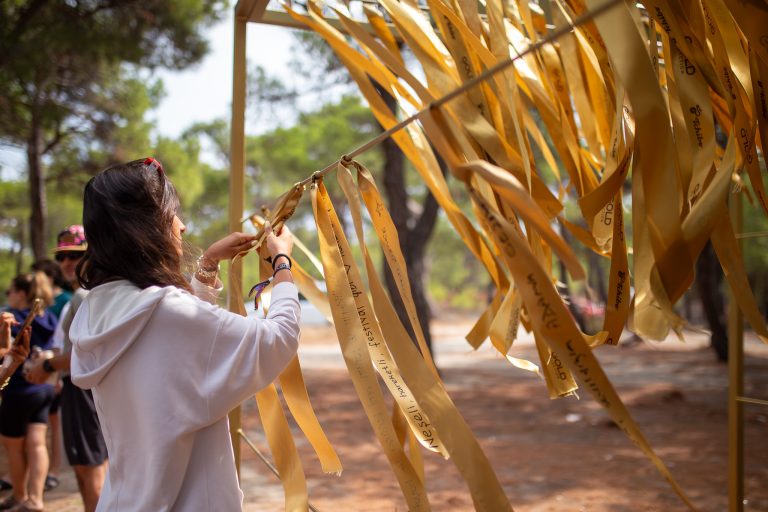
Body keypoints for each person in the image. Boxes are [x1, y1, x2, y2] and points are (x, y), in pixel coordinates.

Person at [68, 157, 299, 510]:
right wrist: (282, 263)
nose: (182, 226)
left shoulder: (97, 309)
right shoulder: (165, 313)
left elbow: (170, 344)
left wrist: (206, 266)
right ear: (146, 227)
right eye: (171, 214)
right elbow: (277, 338)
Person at [26, 226, 105, 509]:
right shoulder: (80, 294)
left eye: (75, 254)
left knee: (91, 470)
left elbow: (88, 354)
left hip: (84, 389)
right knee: (86, 469)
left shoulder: (87, 295)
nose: (67, 262)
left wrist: (47, 365)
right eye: (62, 257)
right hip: (78, 387)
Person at [0, 273, 57, 512]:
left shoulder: (17, 320)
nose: (8, 296)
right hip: (44, 387)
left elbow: (6, 354)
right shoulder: (50, 318)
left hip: (19, 388)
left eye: (10, 291)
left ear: (21, 293)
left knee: (13, 445)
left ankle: (20, 494)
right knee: (37, 444)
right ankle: (36, 498)